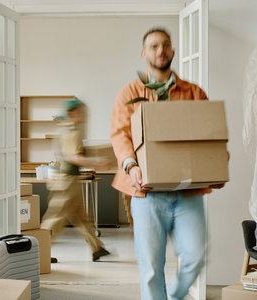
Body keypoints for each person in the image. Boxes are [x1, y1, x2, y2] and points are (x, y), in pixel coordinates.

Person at [110, 27, 224, 300]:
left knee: (196, 256)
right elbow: (119, 134)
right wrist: (131, 164)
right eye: (153, 46)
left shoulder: (194, 92)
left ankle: (173, 297)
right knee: (150, 269)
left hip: (188, 193)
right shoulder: (130, 93)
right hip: (147, 195)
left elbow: (210, 137)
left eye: (166, 45)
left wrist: (218, 165)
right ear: (144, 53)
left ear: (173, 51)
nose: (160, 50)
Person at [40, 99, 111, 262]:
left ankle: (97, 248)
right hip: (66, 181)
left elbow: (80, 153)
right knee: (55, 219)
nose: (84, 116)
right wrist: (98, 163)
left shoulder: (66, 129)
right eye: (81, 112)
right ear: (72, 113)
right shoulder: (72, 131)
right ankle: (38, 253)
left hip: (68, 180)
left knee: (82, 218)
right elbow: (74, 157)